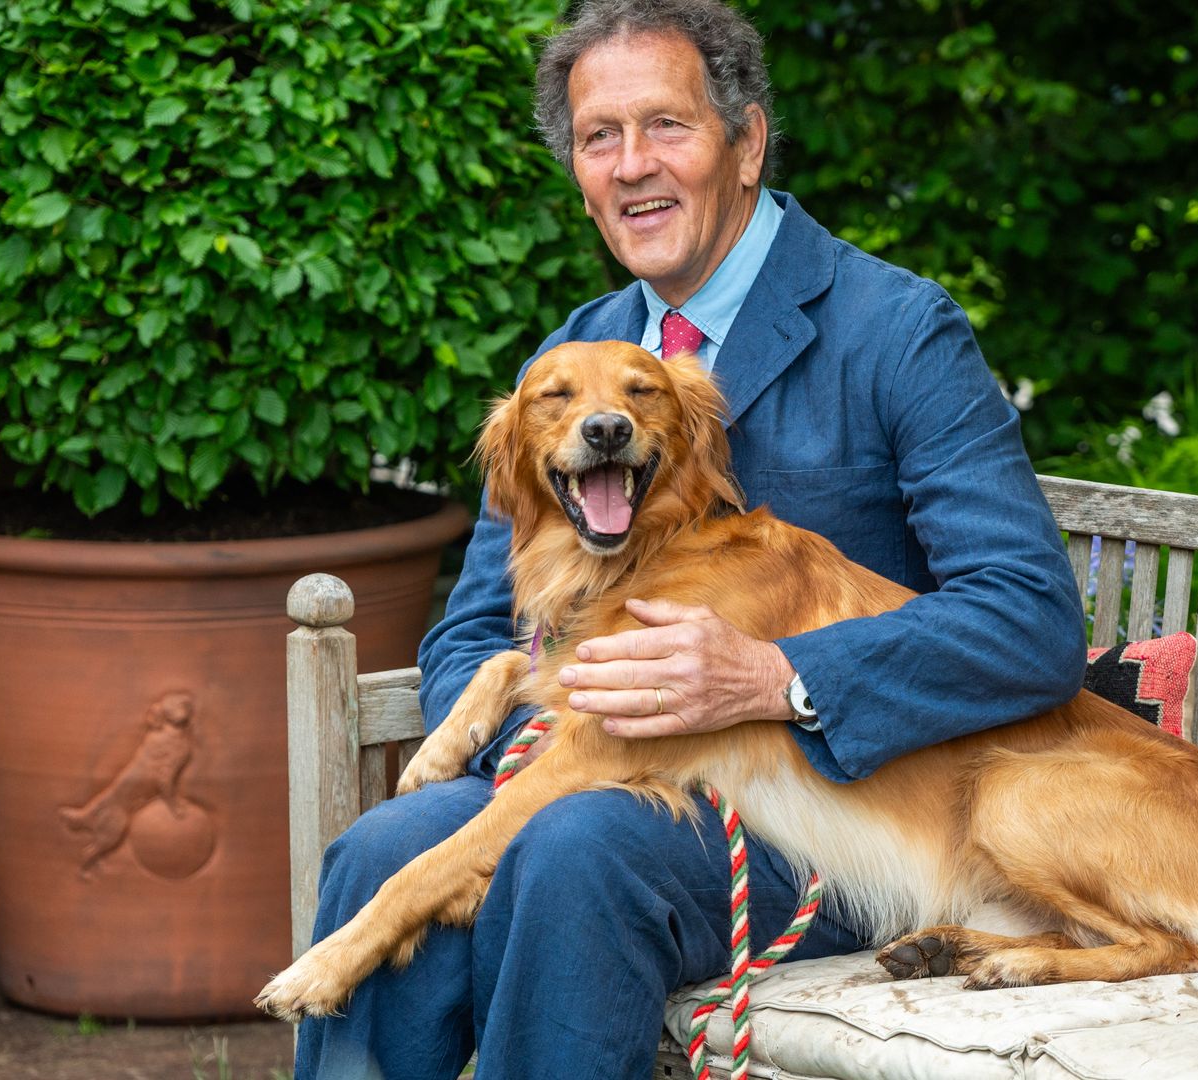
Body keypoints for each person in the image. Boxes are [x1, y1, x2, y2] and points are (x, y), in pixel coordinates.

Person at [296, 1, 1086, 1076]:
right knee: (392, 845)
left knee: (578, 849)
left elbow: (1028, 618)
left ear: (747, 142)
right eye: (597, 137)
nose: (631, 166)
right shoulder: (571, 359)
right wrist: (523, 738)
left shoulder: (897, 330)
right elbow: (475, 623)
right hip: (598, 772)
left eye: (665, 125)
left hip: (842, 823)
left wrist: (773, 676)